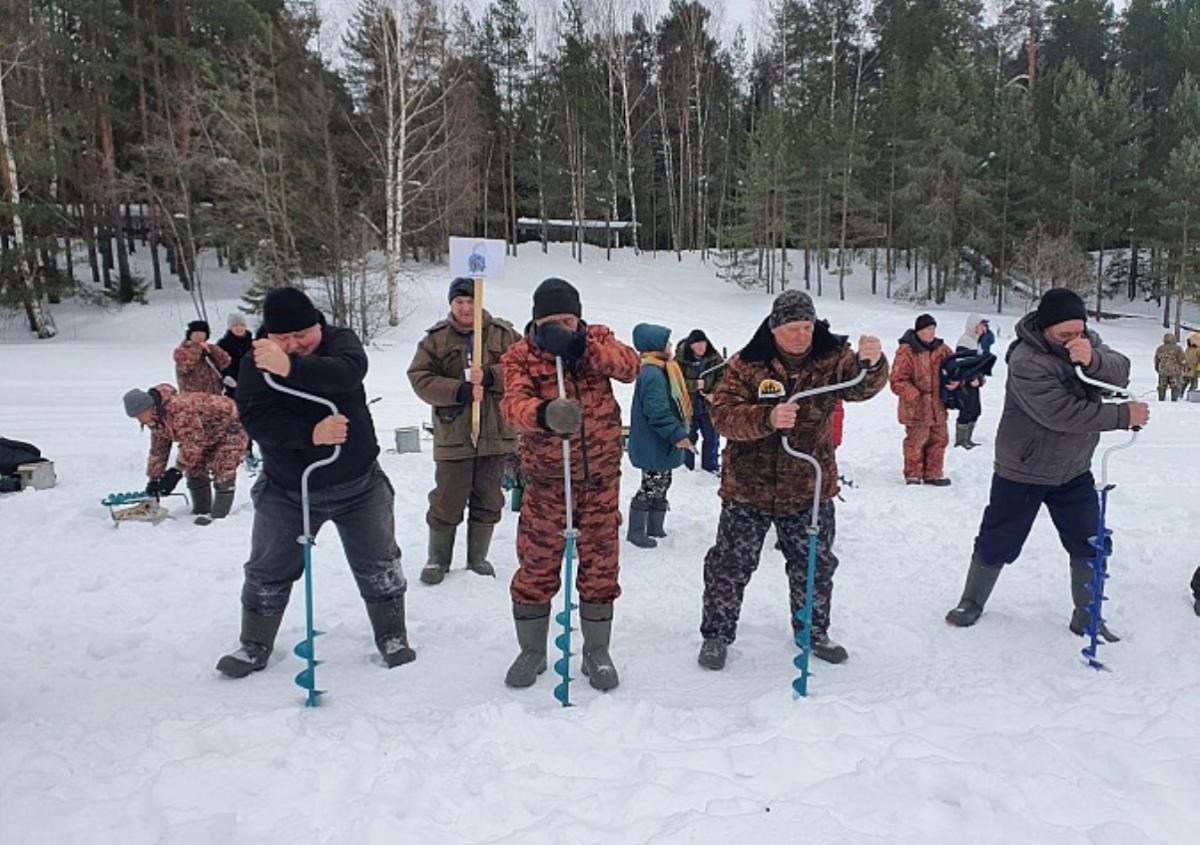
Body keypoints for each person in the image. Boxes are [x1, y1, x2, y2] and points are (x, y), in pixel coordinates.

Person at [215, 287, 414, 678]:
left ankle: (392, 635)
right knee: (268, 567)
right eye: (283, 339)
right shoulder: (257, 361)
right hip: (288, 490)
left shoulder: (341, 342)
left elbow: (347, 373)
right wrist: (311, 433)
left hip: (359, 484)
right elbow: (255, 418)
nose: (293, 345)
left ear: (317, 325)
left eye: (301, 335)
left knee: (379, 562)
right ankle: (254, 644)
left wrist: (290, 368)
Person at [697, 291, 888, 671]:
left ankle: (813, 632)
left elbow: (861, 386)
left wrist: (874, 361)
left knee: (814, 565)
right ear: (775, 328)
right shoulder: (746, 364)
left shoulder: (831, 358)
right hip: (748, 490)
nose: (801, 335)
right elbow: (722, 416)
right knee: (730, 566)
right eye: (792, 328)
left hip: (808, 487)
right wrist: (766, 418)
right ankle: (717, 634)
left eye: (807, 327)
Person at [945, 288, 1150, 639]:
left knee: (1091, 540)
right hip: (1024, 467)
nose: (1074, 339)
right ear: (1045, 329)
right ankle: (972, 600)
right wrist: (1121, 415)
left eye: (1079, 331)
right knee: (999, 538)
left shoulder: (1087, 343)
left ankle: (1086, 615)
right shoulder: (1027, 360)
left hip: (1073, 468)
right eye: (1065, 334)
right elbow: (1059, 413)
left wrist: (1092, 359)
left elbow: (1122, 371)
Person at [499, 278, 640, 691]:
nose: (560, 327)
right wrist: (543, 414)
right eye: (551, 321)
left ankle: (597, 650)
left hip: (599, 481)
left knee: (600, 567)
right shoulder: (520, 356)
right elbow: (512, 405)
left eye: (568, 319)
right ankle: (532, 650)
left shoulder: (597, 340)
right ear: (535, 320)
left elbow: (630, 366)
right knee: (536, 564)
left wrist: (583, 348)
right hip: (546, 484)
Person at [407, 277, 519, 584]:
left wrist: (492, 376)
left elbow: (525, 369)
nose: (466, 307)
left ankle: (477, 558)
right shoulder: (437, 339)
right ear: (451, 304)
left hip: (496, 431)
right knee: (447, 496)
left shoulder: (504, 334)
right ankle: (437, 559)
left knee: (489, 497)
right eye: (460, 302)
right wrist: (459, 390)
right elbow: (419, 377)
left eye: (471, 301)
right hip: (454, 433)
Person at [122, 383, 247, 521]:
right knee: (195, 469)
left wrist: (176, 471)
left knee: (223, 467)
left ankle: (219, 518)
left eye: (140, 415)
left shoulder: (178, 409)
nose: (139, 420)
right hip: (206, 432)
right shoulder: (155, 420)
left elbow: (193, 442)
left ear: (148, 408)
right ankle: (201, 511)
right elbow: (159, 450)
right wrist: (154, 478)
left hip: (233, 425)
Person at [626, 323, 692, 549]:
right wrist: (677, 434)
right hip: (654, 441)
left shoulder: (661, 369)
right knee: (652, 484)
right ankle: (636, 531)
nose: (671, 346)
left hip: (659, 441)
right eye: (667, 342)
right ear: (656, 345)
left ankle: (654, 526)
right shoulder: (653, 373)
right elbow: (657, 411)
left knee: (662, 482)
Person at [889, 314, 953, 485]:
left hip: (938, 405)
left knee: (940, 439)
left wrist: (955, 383)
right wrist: (914, 395)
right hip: (916, 407)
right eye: (927, 329)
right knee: (916, 441)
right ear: (919, 331)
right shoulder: (907, 351)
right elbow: (897, 380)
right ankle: (913, 474)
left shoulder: (942, 349)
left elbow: (955, 367)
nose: (931, 332)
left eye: (933, 328)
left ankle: (934, 473)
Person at [944, 313, 997, 450]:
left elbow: (979, 364)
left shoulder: (977, 341)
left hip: (974, 383)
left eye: (985, 325)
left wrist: (979, 378)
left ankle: (968, 438)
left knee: (976, 410)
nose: (984, 327)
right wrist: (967, 379)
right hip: (964, 384)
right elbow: (962, 365)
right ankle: (961, 441)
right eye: (981, 324)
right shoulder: (965, 341)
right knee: (967, 410)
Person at [675, 329, 724, 474]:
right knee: (688, 437)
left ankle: (711, 467)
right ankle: (685, 467)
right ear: (690, 346)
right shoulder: (680, 360)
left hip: (708, 407)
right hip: (688, 407)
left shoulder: (715, 359)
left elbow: (723, 377)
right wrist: (695, 385)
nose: (701, 347)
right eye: (697, 344)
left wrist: (713, 393)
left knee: (712, 437)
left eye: (703, 343)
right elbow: (676, 382)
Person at [174, 320, 231, 396]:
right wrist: (198, 348)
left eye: (202, 333)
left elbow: (225, 361)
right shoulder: (182, 350)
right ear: (190, 335)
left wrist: (212, 351)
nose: (199, 336)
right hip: (193, 397)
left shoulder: (210, 348)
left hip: (214, 395)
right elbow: (185, 366)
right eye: (196, 333)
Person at [216, 314, 254, 399]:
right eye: (235, 325)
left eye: (242, 325)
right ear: (230, 328)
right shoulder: (223, 344)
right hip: (233, 384)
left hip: (252, 383)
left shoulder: (252, 343)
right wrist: (226, 376)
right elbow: (217, 363)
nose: (239, 328)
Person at [1154, 332, 1188, 402]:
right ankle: (1174, 399)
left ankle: (1161, 398)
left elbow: (1156, 360)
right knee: (1175, 386)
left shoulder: (1160, 348)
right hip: (1175, 371)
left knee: (1162, 386)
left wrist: (1157, 368)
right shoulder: (1178, 348)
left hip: (1163, 370)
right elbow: (1182, 359)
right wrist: (1185, 366)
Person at [1185, 331, 1200, 395]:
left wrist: (1198, 368)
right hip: (1187, 369)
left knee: (1193, 383)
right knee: (1183, 383)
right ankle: (1180, 395)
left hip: (1195, 369)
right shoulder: (1188, 349)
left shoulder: (1198, 350)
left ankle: (1191, 394)